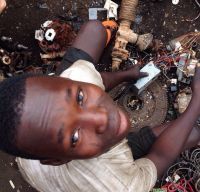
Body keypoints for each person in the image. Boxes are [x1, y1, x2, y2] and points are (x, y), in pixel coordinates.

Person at [0, 20, 200, 192]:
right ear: (59, 160)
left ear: (64, 79)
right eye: (74, 137)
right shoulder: (116, 184)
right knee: (192, 133)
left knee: (95, 29)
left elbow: (93, 79)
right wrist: (197, 100)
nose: (102, 118)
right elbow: (160, 156)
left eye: (80, 98)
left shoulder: (77, 77)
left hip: (53, 144)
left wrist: (124, 76)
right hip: (100, 169)